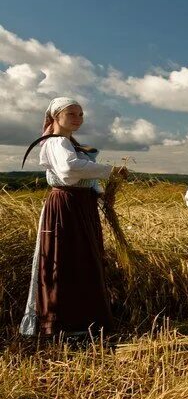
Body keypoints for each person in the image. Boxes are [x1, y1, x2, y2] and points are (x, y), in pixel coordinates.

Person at [19, 98, 128, 339]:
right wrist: (109, 170)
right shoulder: (57, 142)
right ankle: (67, 325)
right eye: (71, 114)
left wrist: (100, 192)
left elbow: (83, 176)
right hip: (67, 206)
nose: (78, 118)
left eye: (81, 114)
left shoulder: (69, 143)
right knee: (68, 259)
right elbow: (68, 170)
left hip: (80, 205)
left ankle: (85, 321)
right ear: (55, 117)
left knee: (83, 259)